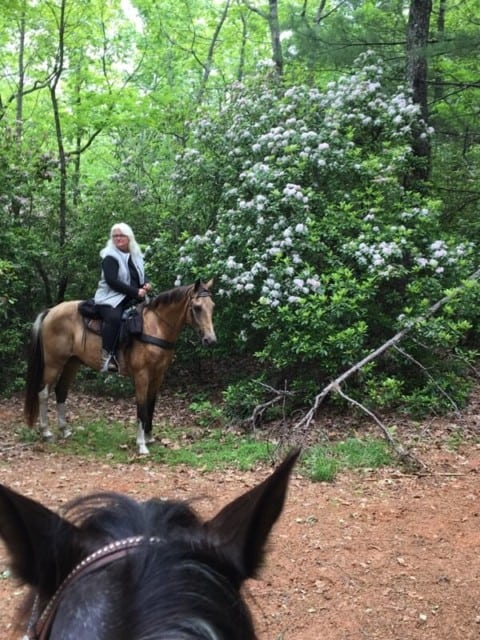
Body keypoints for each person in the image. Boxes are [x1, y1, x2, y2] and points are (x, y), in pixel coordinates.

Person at [94, 222, 152, 372]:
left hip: (133, 297)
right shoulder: (110, 257)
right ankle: (108, 356)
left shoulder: (136, 255)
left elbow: (141, 274)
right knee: (113, 318)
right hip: (111, 298)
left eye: (121, 235)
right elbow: (112, 281)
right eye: (115, 236)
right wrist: (135, 292)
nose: (118, 238)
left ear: (129, 237)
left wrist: (146, 284)